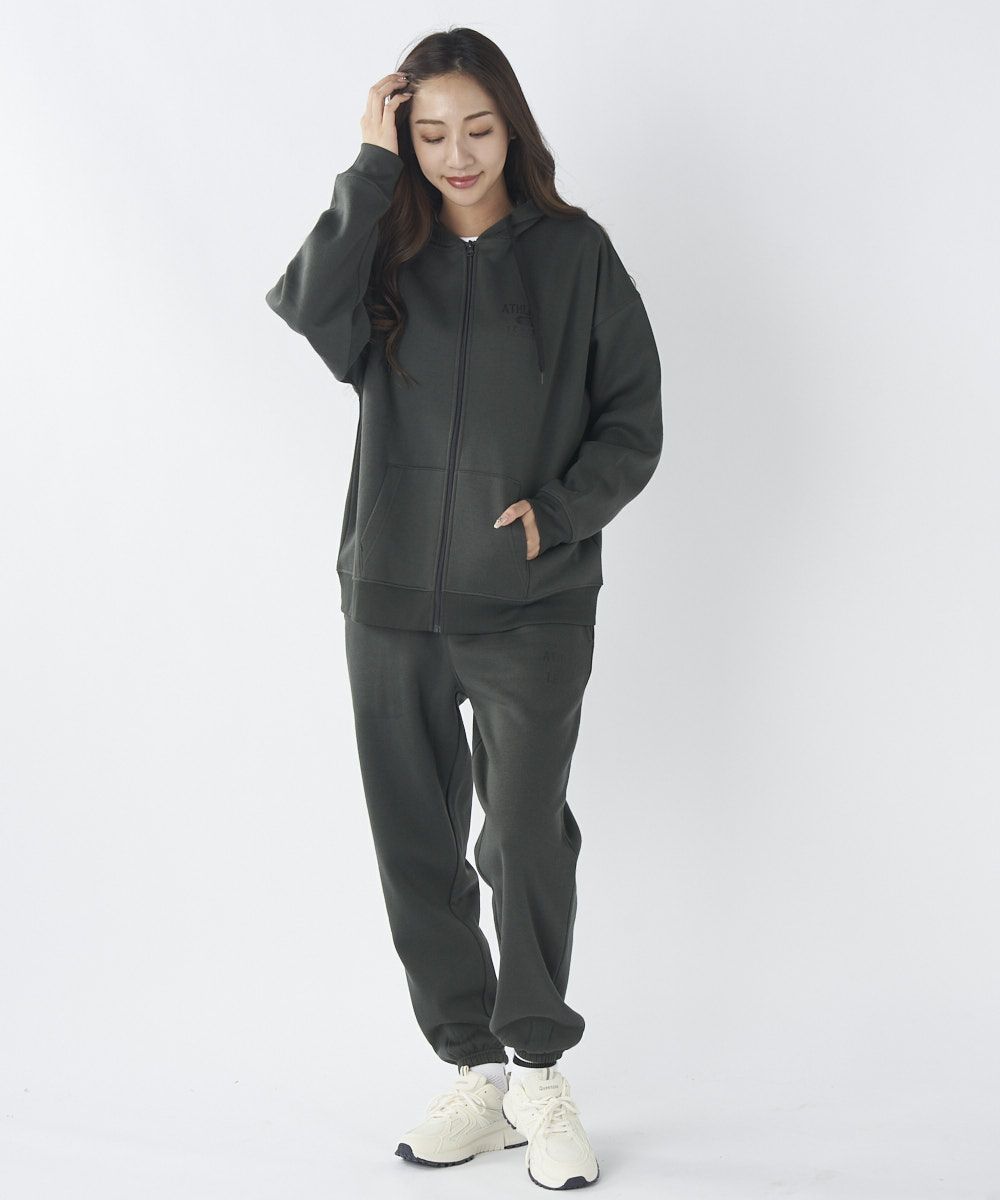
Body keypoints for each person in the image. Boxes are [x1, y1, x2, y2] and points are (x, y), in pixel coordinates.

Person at [265, 26, 662, 1190]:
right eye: (429, 133)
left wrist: (558, 513)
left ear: (511, 127)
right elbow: (305, 306)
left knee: (522, 834)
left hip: (531, 603)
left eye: (475, 128)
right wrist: (366, 170)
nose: (456, 153)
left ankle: (537, 1068)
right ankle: (473, 1072)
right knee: (416, 839)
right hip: (389, 597)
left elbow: (633, 418)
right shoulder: (384, 254)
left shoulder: (576, 255)